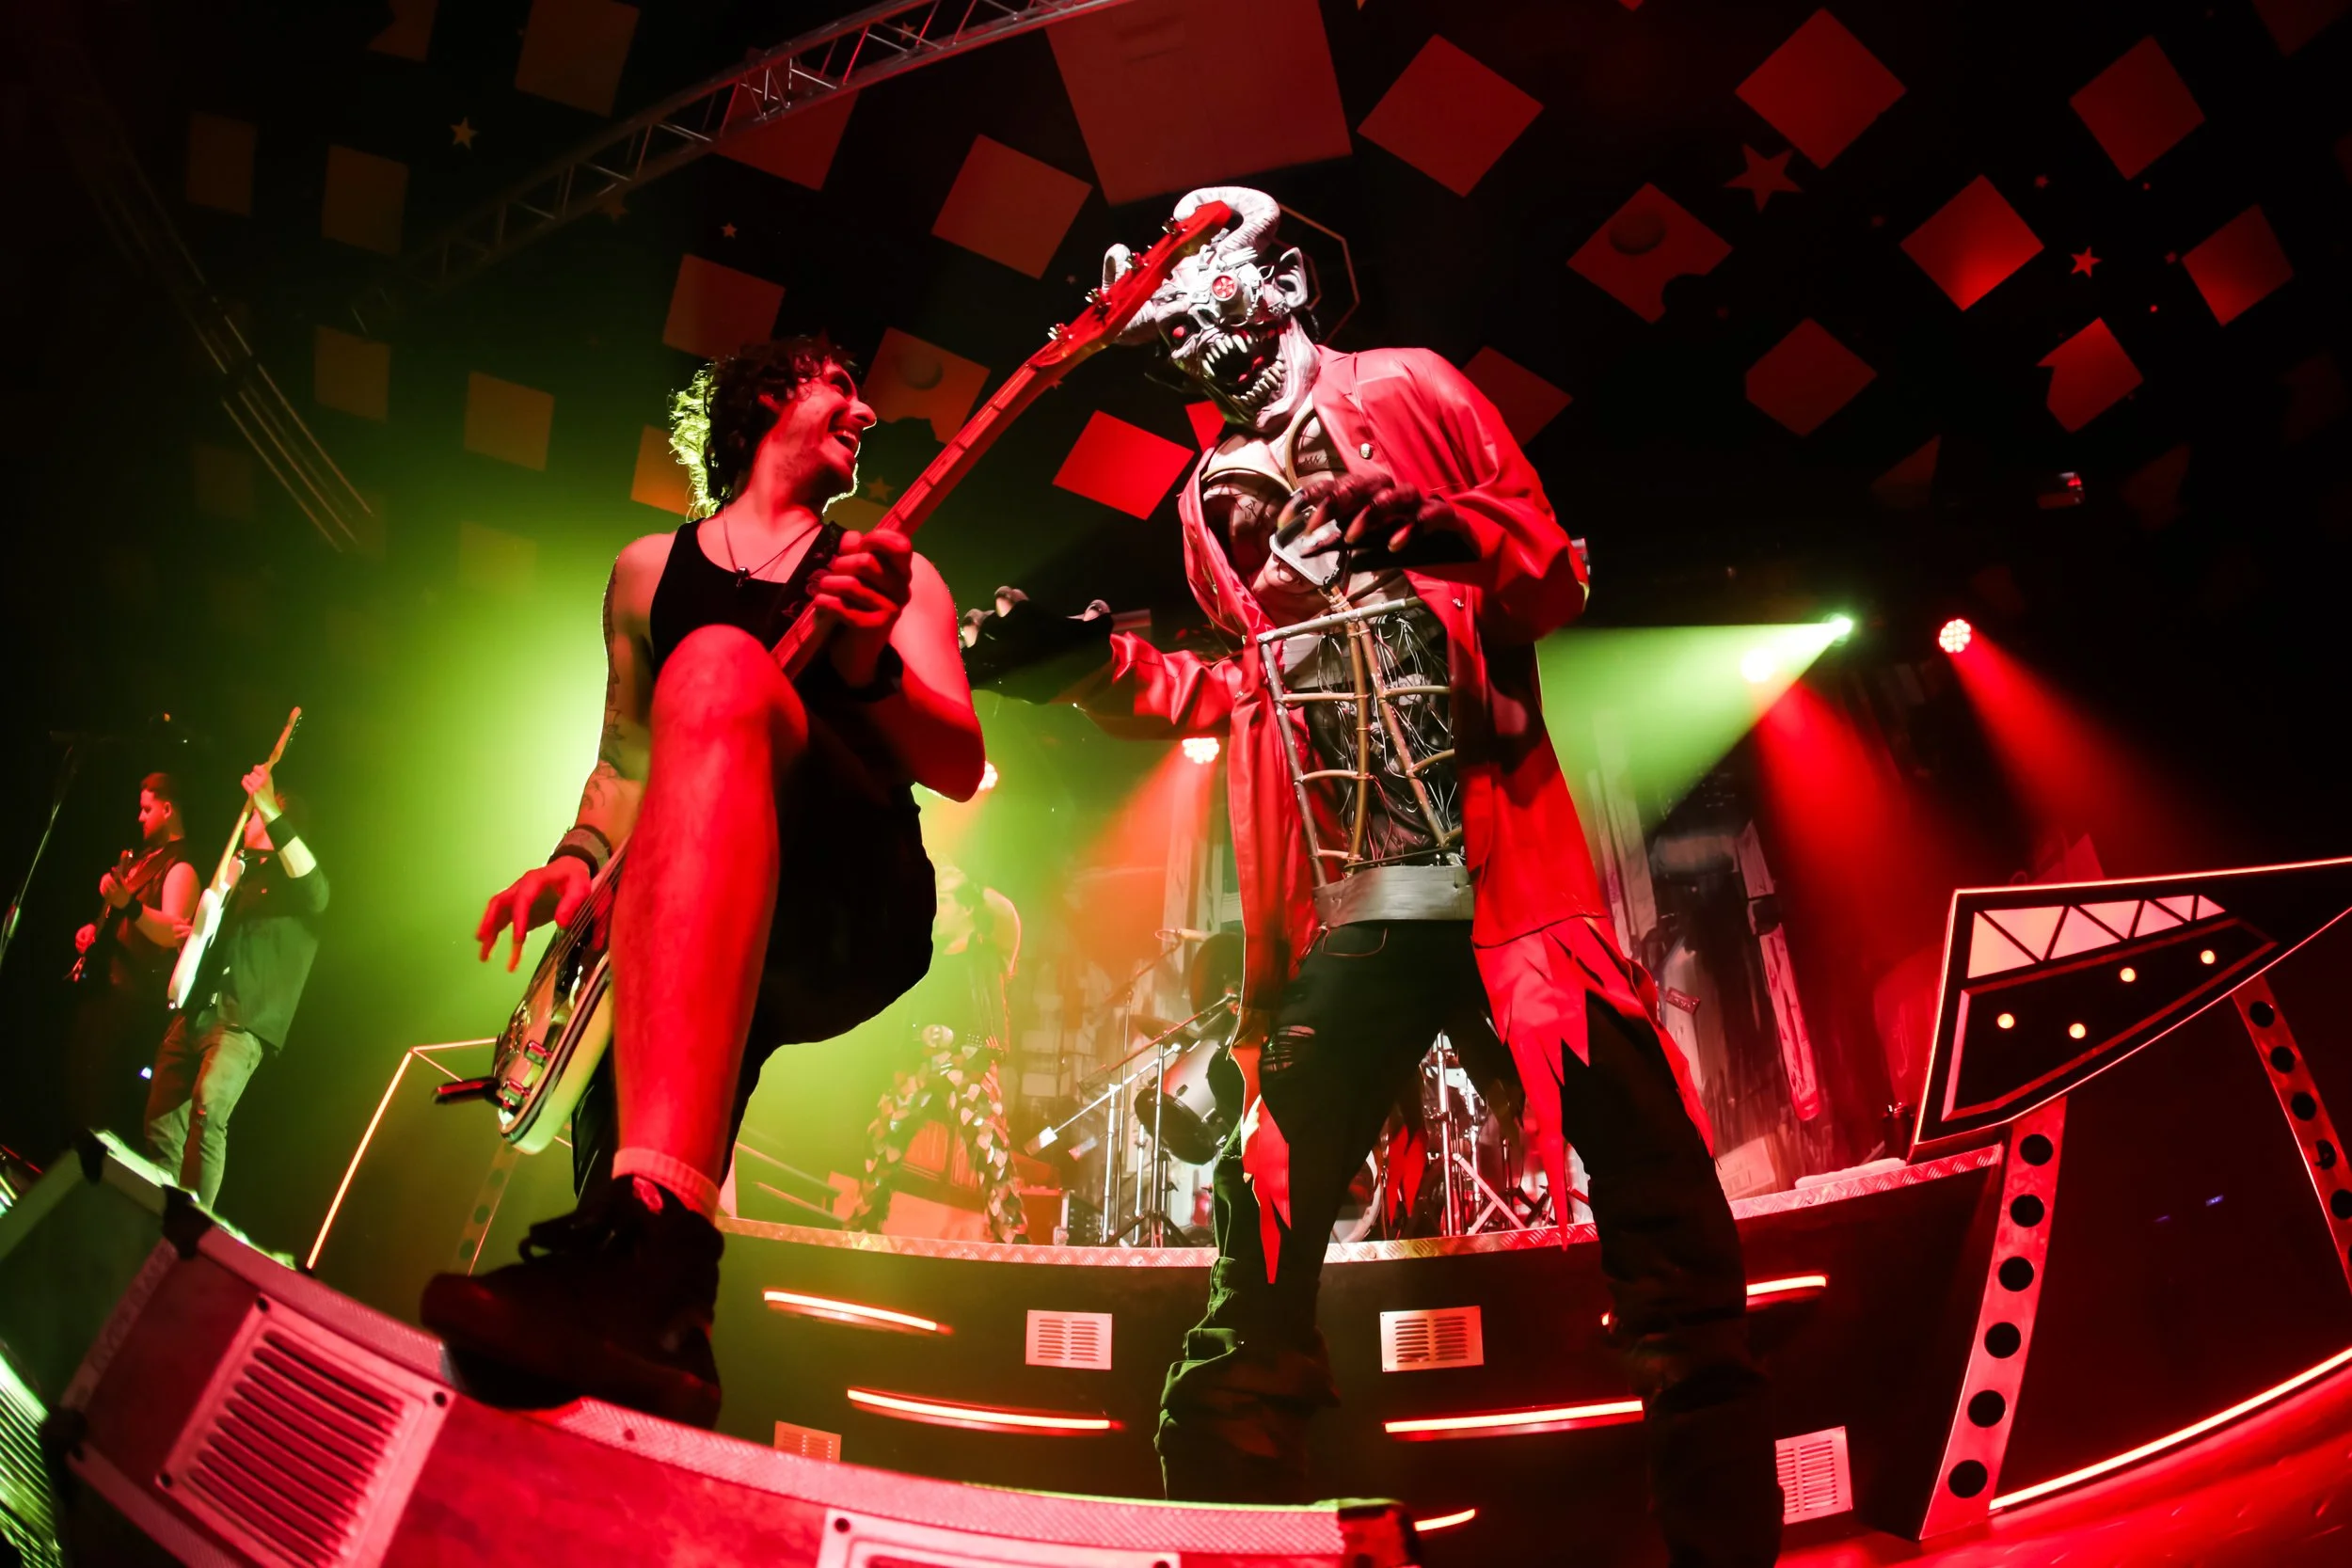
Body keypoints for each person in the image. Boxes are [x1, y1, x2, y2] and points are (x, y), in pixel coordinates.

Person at [965, 189, 1779, 1563]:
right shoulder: (1196, 504)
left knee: (1663, 1210)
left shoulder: (1408, 385)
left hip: (1514, 894)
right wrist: (1092, 663)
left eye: (1202, 277)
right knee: (1261, 1230)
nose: (1181, 322)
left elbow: (1554, 576)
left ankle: (1723, 1541)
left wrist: (1443, 521)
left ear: (1274, 276)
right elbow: (1244, 692)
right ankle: (1224, 1529)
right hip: (1353, 908)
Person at [422, 337, 985, 1428]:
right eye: (843, 388)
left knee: (720, 663)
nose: (868, 411)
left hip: (840, 898)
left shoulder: (886, 567)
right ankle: (658, 1335)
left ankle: (652, 1274)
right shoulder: (643, 570)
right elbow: (628, 760)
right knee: (625, 1164)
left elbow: (957, 762)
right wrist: (574, 859)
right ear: (771, 394)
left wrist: (867, 666)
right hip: (688, 907)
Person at [144, 763, 326, 1207]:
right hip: (197, 1010)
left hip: (242, 1022)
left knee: (208, 1110)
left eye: (259, 815)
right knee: (161, 1122)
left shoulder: (296, 885)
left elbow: (314, 886)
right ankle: (157, 1215)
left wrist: (268, 802)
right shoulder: (236, 877)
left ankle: (194, 1227)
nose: (249, 818)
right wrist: (198, 938)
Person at [849, 865, 1026, 1240]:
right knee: (884, 1137)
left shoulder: (991, 952)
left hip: (970, 1062)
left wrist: (965, 881)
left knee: (989, 1147)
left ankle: (1009, 1236)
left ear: (966, 909)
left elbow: (1007, 914)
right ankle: (866, 1223)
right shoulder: (921, 952)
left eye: (944, 901)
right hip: (917, 1061)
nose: (936, 908)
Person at [66, 773, 199, 1140]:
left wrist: (128, 904)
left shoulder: (180, 867)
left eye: (147, 809)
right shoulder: (141, 858)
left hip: (131, 1007)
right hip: (103, 996)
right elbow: (124, 918)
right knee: (77, 1094)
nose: (140, 817)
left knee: (98, 1106)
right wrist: (96, 932)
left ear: (168, 809)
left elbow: (172, 935)